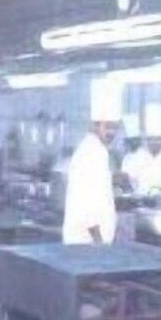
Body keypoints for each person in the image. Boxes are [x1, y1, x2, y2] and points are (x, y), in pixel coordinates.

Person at [63, 79, 121, 245]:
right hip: (87, 242)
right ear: (95, 125)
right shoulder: (92, 153)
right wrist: (98, 241)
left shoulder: (95, 149)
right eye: (108, 126)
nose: (112, 132)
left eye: (115, 127)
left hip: (90, 240)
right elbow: (88, 201)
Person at [119, 113, 146, 192]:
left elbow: (144, 178)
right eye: (129, 141)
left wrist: (128, 177)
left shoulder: (144, 156)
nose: (131, 143)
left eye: (134, 140)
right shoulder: (126, 157)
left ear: (139, 140)